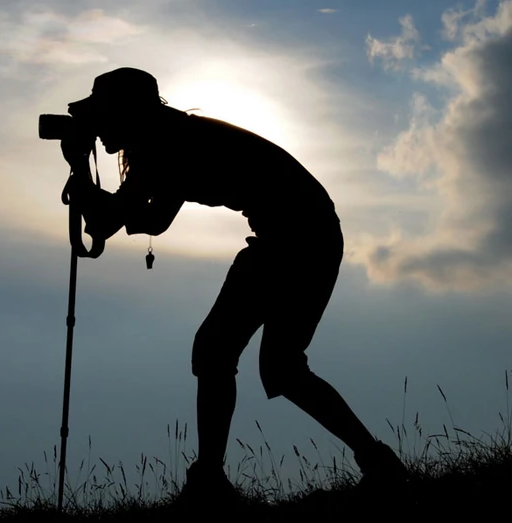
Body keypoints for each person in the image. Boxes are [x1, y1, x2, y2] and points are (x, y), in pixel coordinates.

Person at [60, 67, 407, 506]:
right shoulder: (168, 138)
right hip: (301, 235)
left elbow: (127, 221)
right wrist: (86, 178)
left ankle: (211, 480)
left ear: (127, 114)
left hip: (297, 238)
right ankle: (375, 462)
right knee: (271, 366)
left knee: (228, 355)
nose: (99, 130)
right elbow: (135, 220)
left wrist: (79, 168)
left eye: (104, 117)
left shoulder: (167, 146)